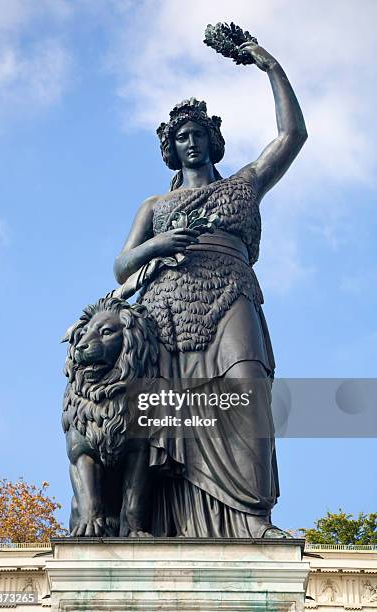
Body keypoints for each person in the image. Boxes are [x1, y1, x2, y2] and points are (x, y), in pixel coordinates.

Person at [114, 41, 307, 537]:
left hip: (232, 292)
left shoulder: (243, 185)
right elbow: (122, 265)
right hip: (167, 311)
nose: (191, 143)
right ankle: (167, 521)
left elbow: (292, 135)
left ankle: (253, 517)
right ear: (171, 147)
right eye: (181, 137)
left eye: (198, 134)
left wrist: (269, 64)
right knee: (168, 414)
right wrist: (158, 244)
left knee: (248, 392)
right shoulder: (154, 205)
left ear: (212, 140)